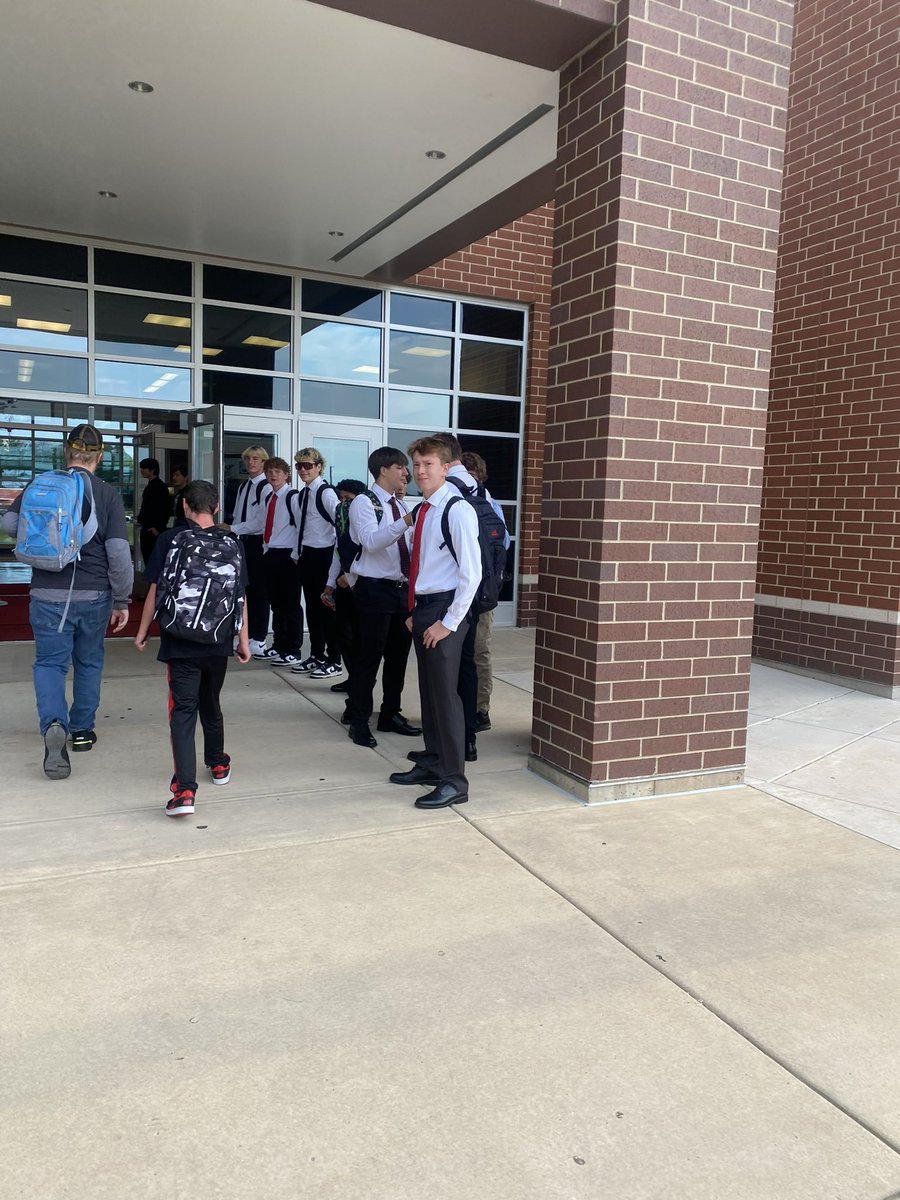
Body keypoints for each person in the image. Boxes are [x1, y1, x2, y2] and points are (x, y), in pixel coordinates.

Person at [1, 424, 133, 779]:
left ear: (65, 453)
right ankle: (82, 731)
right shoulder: (107, 494)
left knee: (49, 663)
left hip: (46, 593)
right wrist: (122, 599)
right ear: (99, 457)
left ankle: (53, 725)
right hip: (94, 595)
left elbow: (10, 526)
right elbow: (118, 554)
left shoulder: (38, 484)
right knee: (88, 662)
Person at [134, 480, 250, 817]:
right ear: (216, 507)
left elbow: (155, 590)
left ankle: (184, 790)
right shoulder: (232, 542)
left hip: (180, 641)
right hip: (218, 640)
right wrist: (243, 640)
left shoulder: (171, 539)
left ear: (184, 506)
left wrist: (143, 631)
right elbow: (241, 596)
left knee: (183, 711)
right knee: (211, 701)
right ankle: (218, 763)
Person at [389, 436, 480, 809]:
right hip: (425, 608)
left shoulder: (456, 510)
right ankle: (432, 761)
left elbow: (471, 574)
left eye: (428, 464)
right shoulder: (424, 508)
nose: (420, 470)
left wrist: (448, 622)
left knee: (445, 697)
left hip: (446, 609)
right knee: (429, 693)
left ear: (446, 468)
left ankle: (454, 781)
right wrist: (415, 611)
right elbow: (425, 566)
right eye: (416, 464)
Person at [344, 447, 421, 749]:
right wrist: (407, 521)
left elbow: (407, 546)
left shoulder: (400, 504)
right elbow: (371, 542)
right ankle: (359, 720)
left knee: (398, 659)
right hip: (374, 590)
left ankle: (390, 714)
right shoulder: (364, 502)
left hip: (401, 590)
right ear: (383, 469)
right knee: (368, 658)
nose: (406, 473)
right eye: (401, 467)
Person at [460, 450, 509, 732]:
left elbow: (503, 545)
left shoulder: (490, 505)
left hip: (482, 593)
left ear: (479, 477)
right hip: (462, 592)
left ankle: (480, 709)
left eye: (471, 476)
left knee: (480, 650)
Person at [291, 448, 342, 679]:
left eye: (308, 465)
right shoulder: (303, 494)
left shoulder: (325, 493)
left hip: (324, 556)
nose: (303, 470)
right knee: (312, 609)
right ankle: (317, 655)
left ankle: (334, 659)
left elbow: (340, 525)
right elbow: (301, 527)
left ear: (319, 467)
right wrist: (297, 552)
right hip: (307, 556)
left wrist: (338, 562)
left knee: (327, 610)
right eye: (299, 466)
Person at [321, 478, 368, 700]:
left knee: (358, 636)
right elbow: (337, 553)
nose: (343, 504)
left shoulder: (365, 522)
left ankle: (360, 682)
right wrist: (330, 585)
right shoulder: (342, 523)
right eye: (341, 499)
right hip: (343, 583)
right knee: (343, 634)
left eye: (348, 499)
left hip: (360, 585)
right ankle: (353, 677)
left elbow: (369, 552)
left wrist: (351, 577)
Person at [227, 444, 274, 660]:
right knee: (245, 592)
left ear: (263, 462)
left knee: (259, 592)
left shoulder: (266, 487)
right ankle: (246, 634)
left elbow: (260, 521)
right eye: (247, 459)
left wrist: (233, 528)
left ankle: (259, 637)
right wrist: (234, 532)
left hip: (257, 542)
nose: (250, 462)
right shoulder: (244, 486)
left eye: (255, 459)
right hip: (243, 541)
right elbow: (239, 514)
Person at [260, 456, 304, 666]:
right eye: (269, 472)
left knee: (291, 603)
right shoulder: (270, 497)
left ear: (286, 475)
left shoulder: (292, 497)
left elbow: (300, 526)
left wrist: (296, 553)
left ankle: (293, 649)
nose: (273, 475)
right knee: (276, 603)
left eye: (277, 471)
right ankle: (279, 644)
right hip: (272, 553)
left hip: (288, 555)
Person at [136, 457, 173, 566]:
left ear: (152, 470)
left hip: (152, 529)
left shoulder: (158, 487)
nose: (142, 470)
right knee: (148, 559)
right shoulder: (153, 485)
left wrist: (158, 528)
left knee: (151, 559)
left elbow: (164, 508)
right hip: (149, 528)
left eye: (144, 468)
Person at [171, 464, 189, 529]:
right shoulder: (178, 493)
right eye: (173, 475)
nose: (174, 478)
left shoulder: (188, 493)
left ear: (186, 477)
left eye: (177, 475)